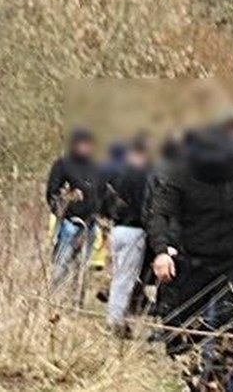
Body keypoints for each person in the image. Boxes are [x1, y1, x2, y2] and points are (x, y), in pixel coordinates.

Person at [146, 122, 233, 389]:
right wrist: (161, 252)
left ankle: (223, 385)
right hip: (192, 260)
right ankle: (192, 381)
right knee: (182, 332)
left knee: (231, 327)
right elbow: (160, 213)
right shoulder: (181, 174)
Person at [101, 136, 153, 335]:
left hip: (117, 228)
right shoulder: (143, 175)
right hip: (135, 230)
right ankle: (116, 321)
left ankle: (117, 317)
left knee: (119, 275)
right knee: (126, 278)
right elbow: (145, 205)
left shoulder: (118, 172)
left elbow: (105, 198)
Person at [46, 128, 100, 288]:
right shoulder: (63, 165)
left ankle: (76, 298)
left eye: (88, 144)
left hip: (90, 225)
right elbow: (52, 194)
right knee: (61, 266)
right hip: (69, 224)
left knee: (82, 269)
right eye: (82, 144)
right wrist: (64, 212)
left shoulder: (95, 166)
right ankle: (53, 296)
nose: (85, 147)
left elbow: (101, 192)